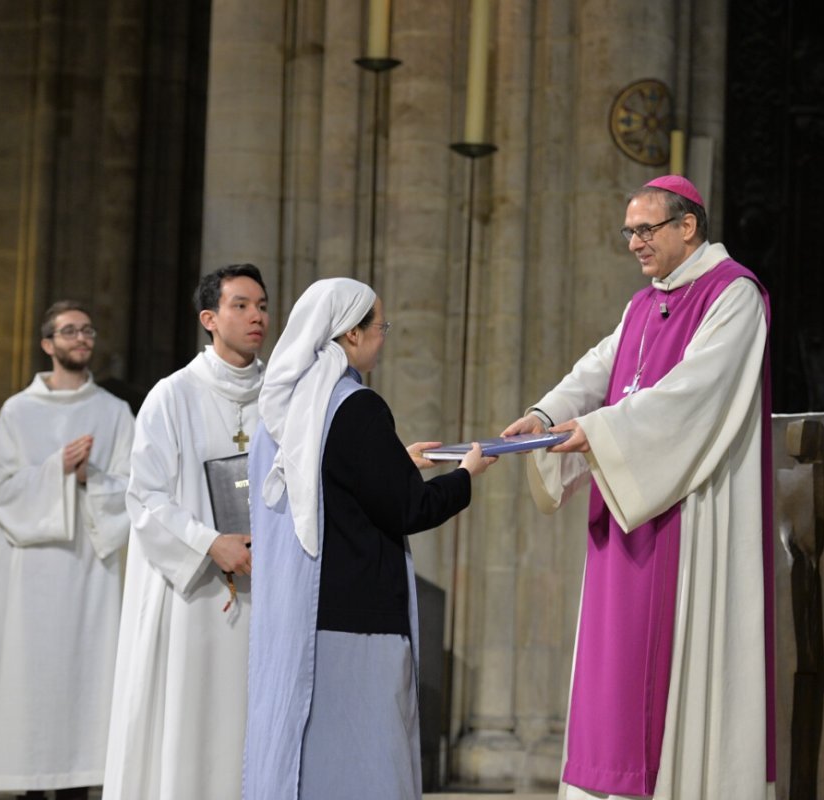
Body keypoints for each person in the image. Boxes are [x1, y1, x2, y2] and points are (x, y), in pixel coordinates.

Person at [501, 175, 775, 799]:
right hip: (629, 507)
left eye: (646, 229)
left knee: (666, 673)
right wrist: (544, 417)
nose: (634, 243)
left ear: (688, 226)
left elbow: (694, 395)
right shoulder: (643, 304)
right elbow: (596, 369)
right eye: (629, 231)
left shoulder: (734, 295)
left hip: (688, 509)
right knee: (613, 671)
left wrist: (597, 433)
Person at [243, 277, 495, 800]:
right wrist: (466, 475)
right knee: (367, 766)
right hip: (361, 622)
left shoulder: (279, 410)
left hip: (304, 614)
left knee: (315, 766)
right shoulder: (358, 406)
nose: (383, 336)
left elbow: (332, 484)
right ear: (351, 334)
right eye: (380, 326)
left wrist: (396, 462)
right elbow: (408, 508)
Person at [102, 264, 268, 800]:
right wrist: (208, 542)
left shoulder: (283, 398)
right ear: (209, 319)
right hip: (192, 595)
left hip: (266, 590)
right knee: (191, 721)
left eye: (262, 305)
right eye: (240, 305)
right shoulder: (172, 396)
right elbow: (144, 496)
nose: (257, 316)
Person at [0, 301, 135, 798]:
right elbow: (0, 491)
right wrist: (56, 470)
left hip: (91, 574)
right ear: (47, 344)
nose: (81, 338)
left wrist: (90, 477)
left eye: (88, 329)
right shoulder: (17, 412)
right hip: (32, 579)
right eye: (69, 331)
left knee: (86, 691)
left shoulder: (114, 412)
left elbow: (136, 492)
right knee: (30, 692)